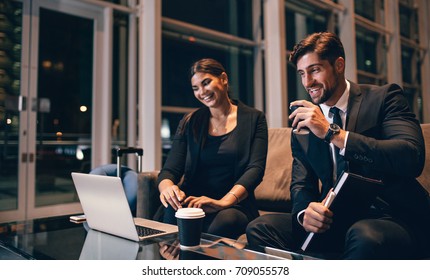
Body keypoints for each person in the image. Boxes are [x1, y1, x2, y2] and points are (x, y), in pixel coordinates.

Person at [246, 32, 430, 259]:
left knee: (363, 235)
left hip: (390, 215)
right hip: (336, 219)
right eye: (302, 74)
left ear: (339, 65)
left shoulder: (385, 98)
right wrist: (305, 213)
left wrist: (332, 133)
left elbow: (411, 157)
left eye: (315, 70)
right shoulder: (303, 125)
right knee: (260, 227)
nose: (307, 82)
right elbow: (302, 185)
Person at [157, 58, 268, 239]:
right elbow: (170, 169)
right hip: (193, 203)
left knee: (225, 222)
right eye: (195, 88)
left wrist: (223, 202)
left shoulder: (254, 118)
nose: (202, 92)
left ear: (223, 79)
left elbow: (255, 170)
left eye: (206, 83)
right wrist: (168, 188)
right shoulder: (190, 121)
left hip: (232, 205)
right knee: (172, 211)